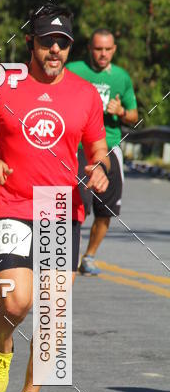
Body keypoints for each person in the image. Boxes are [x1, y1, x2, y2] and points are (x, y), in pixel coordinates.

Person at [0, 4, 110, 392]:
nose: (55, 50)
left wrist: (99, 166)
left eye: (62, 43)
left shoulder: (85, 94)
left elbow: (98, 147)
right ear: (31, 42)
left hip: (59, 205)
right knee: (16, 299)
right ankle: (2, 342)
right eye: (47, 41)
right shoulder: (1, 84)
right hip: (13, 200)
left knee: (53, 311)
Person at [67, 30, 138, 275]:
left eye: (108, 49)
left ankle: (89, 256)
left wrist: (121, 112)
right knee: (76, 204)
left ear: (114, 49)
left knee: (105, 210)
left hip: (109, 147)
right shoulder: (73, 70)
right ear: (90, 48)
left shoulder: (121, 77)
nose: (103, 54)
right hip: (77, 147)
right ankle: (66, 254)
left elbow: (134, 115)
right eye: (98, 49)